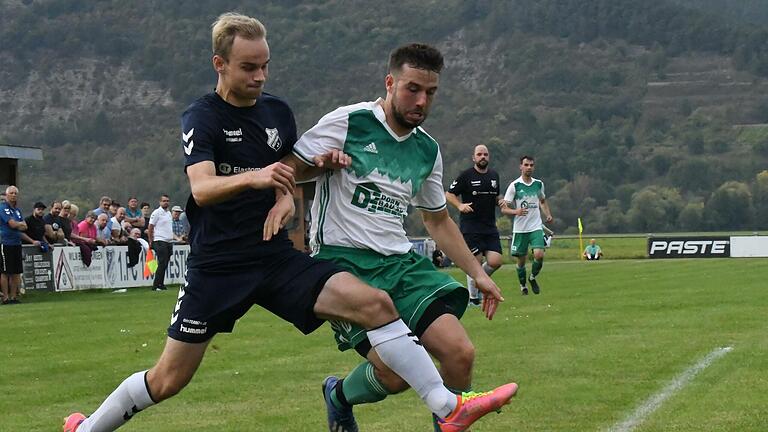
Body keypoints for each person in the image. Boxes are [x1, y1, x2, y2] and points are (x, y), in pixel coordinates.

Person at [63, 14, 514, 432]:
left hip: (275, 256)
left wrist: (293, 187)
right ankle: (86, 429)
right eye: (248, 67)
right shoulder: (202, 116)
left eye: (265, 66)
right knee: (167, 380)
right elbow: (201, 189)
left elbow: (294, 168)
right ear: (219, 64)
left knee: (376, 304)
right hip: (219, 264)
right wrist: (262, 178)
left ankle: (447, 407)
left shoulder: (277, 113)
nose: (259, 76)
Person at [283, 43, 513, 432]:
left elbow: (438, 221)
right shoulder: (349, 122)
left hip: (399, 263)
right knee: (395, 375)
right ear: (390, 83)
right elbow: (288, 170)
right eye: (412, 89)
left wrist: (478, 273)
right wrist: (321, 165)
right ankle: (338, 395)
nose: (422, 100)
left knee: (460, 354)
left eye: (431, 92)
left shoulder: (427, 150)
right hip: (344, 264)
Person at [446, 144, 503, 306]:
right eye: (479, 154)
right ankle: (473, 298)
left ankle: (479, 282)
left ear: (489, 157)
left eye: (485, 154)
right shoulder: (466, 176)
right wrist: (459, 206)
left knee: (495, 261)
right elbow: (449, 194)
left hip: (490, 226)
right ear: (474, 157)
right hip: (471, 227)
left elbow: (495, 197)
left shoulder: (494, 176)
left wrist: (502, 202)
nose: (482, 157)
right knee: (474, 263)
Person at [500, 155, 553, 295]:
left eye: (531, 165)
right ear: (521, 167)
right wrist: (515, 211)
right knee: (521, 262)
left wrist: (548, 214)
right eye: (526, 165)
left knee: (539, 255)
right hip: (520, 229)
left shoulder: (538, 184)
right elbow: (504, 208)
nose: (529, 167)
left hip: (535, 227)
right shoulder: (515, 186)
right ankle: (523, 286)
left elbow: (542, 201)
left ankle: (532, 277)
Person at [0, 186, 27, 304]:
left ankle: (13, 297)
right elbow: (12, 224)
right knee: (6, 271)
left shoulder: (18, 210)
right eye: (11, 193)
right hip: (6, 243)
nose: (13, 195)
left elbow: (25, 226)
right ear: (7, 195)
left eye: (15, 193)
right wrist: (18, 224)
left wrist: (19, 224)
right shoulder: (3, 208)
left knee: (16, 271)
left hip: (17, 242)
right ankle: (5, 297)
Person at [147, 194, 173, 291]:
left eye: (167, 201)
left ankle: (160, 283)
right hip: (159, 240)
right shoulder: (157, 212)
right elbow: (150, 226)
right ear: (160, 202)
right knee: (162, 262)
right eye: (164, 201)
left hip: (168, 241)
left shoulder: (168, 213)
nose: (166, 202)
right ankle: (156, 285)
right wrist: (151, 240)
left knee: (165, 263)